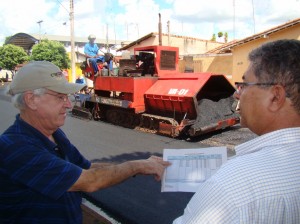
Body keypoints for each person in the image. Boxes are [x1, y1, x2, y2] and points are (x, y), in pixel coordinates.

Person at [0, 61, 170, 224]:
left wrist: (139, 165)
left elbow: (87, 168)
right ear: (31, 100)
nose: (68, 104)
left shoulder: (55, 135)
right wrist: (136, 166)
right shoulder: (15, 148)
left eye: (67, 96)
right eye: (60, 97)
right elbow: (89, 180)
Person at [173, 39, 300, 224]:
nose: (237, 94)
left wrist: (222, 177)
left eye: (245, 84)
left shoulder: (231, 187)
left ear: (275, 97)